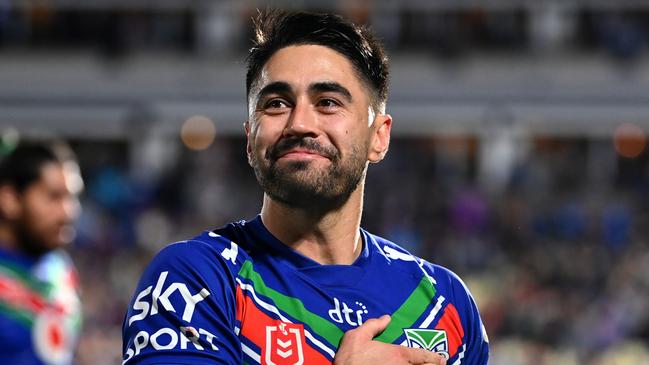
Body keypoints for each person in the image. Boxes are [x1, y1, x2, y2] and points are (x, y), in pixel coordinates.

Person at [122, 10, 489, 365]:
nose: (299, 123)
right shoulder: (195, 279)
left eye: (328, 103)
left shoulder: (444, 301)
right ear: (250, 140)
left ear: (379, 137)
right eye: (276, 103)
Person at [0, 141, 84, 365]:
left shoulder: (61, 268)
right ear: (10, 199)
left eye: (72, 197)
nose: (68, 212)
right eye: (54, 197)